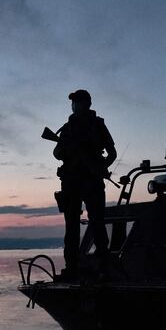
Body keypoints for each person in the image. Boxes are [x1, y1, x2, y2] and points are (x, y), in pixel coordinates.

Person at [54, 89, 117, 281]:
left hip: (92, 181)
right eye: (73, 102)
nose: (74, 105)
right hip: (71, 182)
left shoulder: (97, 125)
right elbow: (56, 153)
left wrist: (99, 167)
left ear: (86, 104)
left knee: (97, 223)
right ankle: (71, 267)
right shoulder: (67, 128)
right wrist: (66, 150)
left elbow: (112, 153)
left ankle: (103, 267)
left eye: (77, 102)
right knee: (71, 226)